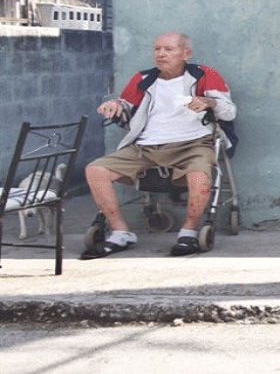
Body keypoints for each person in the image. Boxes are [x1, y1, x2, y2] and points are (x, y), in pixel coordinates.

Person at [81, 31, 236, 259]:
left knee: (200, 176)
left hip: (193, 144)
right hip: (146, 146)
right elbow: (125, 106)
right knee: (96, 170)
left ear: (186, 53)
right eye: (157, 49)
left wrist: (209, 102)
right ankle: (121, 232)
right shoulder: (143, 79)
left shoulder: (204, 75)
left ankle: (188, 232)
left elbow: (229, 112)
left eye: (168, 49)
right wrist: (115, 106)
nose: (161, 54)